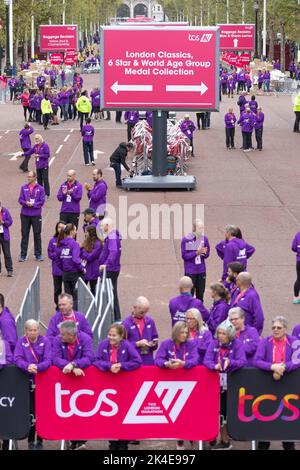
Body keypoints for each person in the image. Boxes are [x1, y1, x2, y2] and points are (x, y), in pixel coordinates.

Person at [95, 323, 142, 451]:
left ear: (121, 336)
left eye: (114, 335)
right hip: (108, 387)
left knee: (124, 414)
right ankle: (112, 443)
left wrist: (121, 365)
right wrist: (108, 366)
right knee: (111, 415)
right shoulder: (103, 345)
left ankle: (123, 444)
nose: (111, 337)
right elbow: (96, 361)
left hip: (124, 386)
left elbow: (137, 361)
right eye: (109, 334)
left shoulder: (127, 345)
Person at [254, 316, 299, 450]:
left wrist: (282, 367)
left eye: (279, 327)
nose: (275, 330)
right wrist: (272, 367)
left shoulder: (295, 341)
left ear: (285, 329)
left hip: (288, 387)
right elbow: (257, 360)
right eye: (273, 327)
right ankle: (263, 444)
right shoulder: (265, 342)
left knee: (287, 418)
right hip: (268, 387)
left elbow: (297, 360)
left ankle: (288, 445)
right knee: (266, 416)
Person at [155, 321, 198, 451]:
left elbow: (195, 360)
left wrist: (183, 363)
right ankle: (179, 440)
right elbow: (157, 360)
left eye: (186, 332)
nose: (184, 335)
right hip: (171, 383)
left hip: (188, 383)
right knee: (176, 413)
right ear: (176, 332)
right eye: (182, 332)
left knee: (189, 412)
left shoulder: (191, 344)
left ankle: (191, 437)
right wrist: (166, 364)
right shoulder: (166, 344)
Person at [204, 319, 246, 450]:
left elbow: (242, 361)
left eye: (223, 333)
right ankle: (218, 439)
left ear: (230, 335)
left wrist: (231, 362)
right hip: (215, 382)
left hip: (232, 382)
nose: (220, 336)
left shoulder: (237, 344)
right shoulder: (214, 343)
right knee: (216, 411)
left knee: (227, 412)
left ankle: (226, 439)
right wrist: (214, 365)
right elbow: (206, 360)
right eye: (219, 333)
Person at [52, 320, 94, 451]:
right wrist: (69, 366)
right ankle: (71, 439)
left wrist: (74, 364)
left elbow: (89, 358)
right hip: (64, 381)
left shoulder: (85, 339)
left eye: (63, 334)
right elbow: (55, 358)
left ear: (71, 335)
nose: (60, 336)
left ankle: (80, 441)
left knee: (83, 409)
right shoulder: (58, 340)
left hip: (81, 382)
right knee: (66, 410)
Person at [14, 319, 51, 450]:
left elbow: (48, 360)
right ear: (26, 331)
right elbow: (17, 358)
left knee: (41, 411)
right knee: (30, 412)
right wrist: (27, 366)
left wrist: (38, 367)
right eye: (30, 330)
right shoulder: (21, 342)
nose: (32, 333)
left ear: (38, 330)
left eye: (35, 330)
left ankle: (40, 440)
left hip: (42, 382)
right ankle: (30, 440)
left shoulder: (45, 341)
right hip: (27, 381)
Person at [122, 296, 159, 365]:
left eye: (146, 312)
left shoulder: (150, 321)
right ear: (134, 307)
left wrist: (153, 343)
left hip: (148, 361)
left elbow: (155, 337)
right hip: (132, 362)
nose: (144, 315)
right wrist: (137, 344)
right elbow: (122, 345)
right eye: (142, 312)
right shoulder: (126, 324)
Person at [56, 225, 85, 308]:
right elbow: (76, 259)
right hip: (74, 273)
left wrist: (63, 268)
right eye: (75, 230)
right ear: (71, 231)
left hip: (65, 273)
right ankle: (75, 315)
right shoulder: (74, 244)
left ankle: (67, 315)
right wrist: (82, 268)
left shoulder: (60, 243)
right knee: (76, 297)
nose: (76, 232)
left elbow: (57, 259)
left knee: (68, 296)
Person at [18, 171, 45, 262]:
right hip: (25, 215)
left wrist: (33, 205)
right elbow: (20, 199)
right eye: (27, 176)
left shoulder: (40, 188)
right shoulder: (23, 187)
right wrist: (25, 203)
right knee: (24, 234)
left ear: (34, 177)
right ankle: (23, 255)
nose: (28, 178)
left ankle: (38, 254)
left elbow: (42, 201)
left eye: (30, 177)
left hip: (36, 215)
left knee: (37, 234)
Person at [181, 219, 210, 302]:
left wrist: (204, 253)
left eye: (202, 228)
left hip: (201, 271)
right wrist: (196, 253)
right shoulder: (186, 240)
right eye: (200, 228)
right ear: (194, 228)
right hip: (190, 271)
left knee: (200, 295)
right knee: (189, 294)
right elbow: (184, 256)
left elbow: (207, 254)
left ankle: (199, 312)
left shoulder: (205, 239)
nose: (202, 230)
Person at [99, 218, 122, 321]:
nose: (100, 228)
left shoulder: (112, 237)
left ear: (108, 225)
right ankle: (114, 316)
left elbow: (113, 252)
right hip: (112, 268)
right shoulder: (111, 236)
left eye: (102, 226)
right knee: (111, 292)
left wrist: (106, 264)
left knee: (111, 292)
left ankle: (116, 317)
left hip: (111, 269)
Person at [48, 221, 65, 308]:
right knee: (57, 290)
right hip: (57, 269)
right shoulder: (52, 240)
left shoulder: (68, 240)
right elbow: (50, 254)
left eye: (62, 227)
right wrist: (58, 254)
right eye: (59, 227)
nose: (60, 229)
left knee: (68, 290)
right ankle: (58, 306)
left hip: (67, 269)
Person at [81, 225, 102, 295]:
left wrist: (83, 251)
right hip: (85, 270)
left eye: (86, 232)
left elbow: (90, 257)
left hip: (94, 271)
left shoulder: (98, 244)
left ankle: (95, 305)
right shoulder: (86, 241)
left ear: (91, 233)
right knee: (80, 291)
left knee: (94, 291)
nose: (85, 234)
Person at [0, 202, 12, 277]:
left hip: (4, 235)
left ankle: (9, 270)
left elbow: (10, 221)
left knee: (7, 253)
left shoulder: (5, 211)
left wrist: (3, 222)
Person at [291, 229, 300, 304]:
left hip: (299, 261)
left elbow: (293, 247)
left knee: (299, 279)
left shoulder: (298, 234)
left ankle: (296, 298)